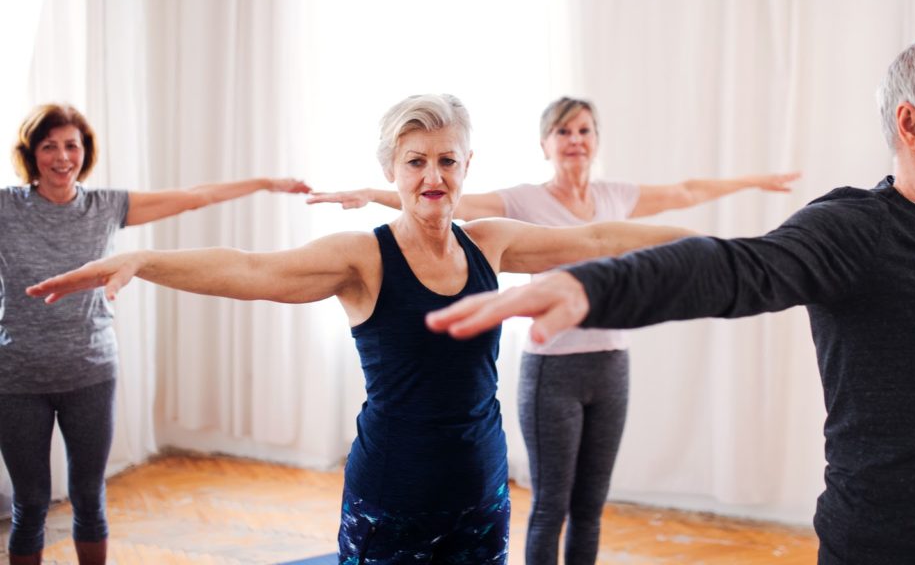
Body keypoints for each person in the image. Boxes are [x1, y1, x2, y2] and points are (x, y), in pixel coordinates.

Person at [426, 34, 915, 565]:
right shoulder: (856, 230)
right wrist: (590, 284)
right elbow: (736, 267)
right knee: (559, 501)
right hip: (894, 547)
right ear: (911, 125)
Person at [26, 94, 694, 565]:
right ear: (391, 170)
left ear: (466, 166)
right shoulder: (363, 257)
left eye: (447, 160)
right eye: (415, 161)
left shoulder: (489, 243)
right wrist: (142, 259)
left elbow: (600, 236)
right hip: (392, 490)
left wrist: (710, 245)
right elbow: (249, 268)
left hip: (480, 482)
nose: (432, 176)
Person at [308, 96, 798, 565]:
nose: (575, 140)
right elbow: (435, 194)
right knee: (551, 506)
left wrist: (730, 245)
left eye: (584, 130)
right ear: (545, 142)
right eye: (563, 130)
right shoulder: (499, 210)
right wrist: (377, 192)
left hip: (543, 428)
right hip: (450, 449)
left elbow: (628, 223)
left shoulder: (570, 211)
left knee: (588, 505)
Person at [0, 103, 310, 565]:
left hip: (90, 372)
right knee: (30, 505)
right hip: (19, 378)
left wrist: (264, 183)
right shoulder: (7, 207)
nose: (62, 157)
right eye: (50, 146)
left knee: (88, 497)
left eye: (72, 145)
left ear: (85, 151)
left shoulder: (108, 206)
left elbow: (194, 195)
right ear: (32, 153)